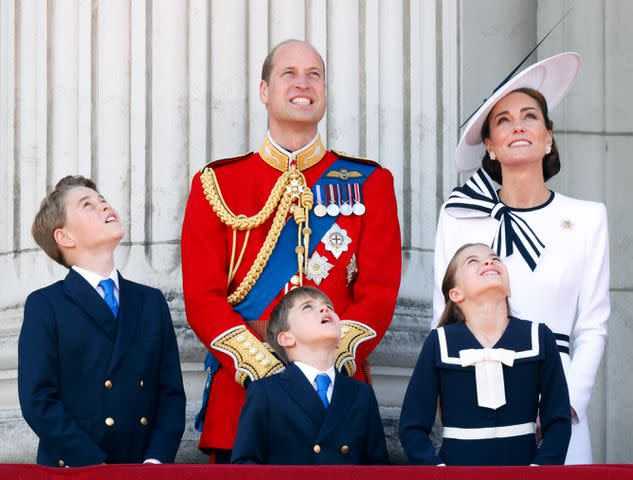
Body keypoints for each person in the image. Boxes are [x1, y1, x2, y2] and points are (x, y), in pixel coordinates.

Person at [181, 39, 401, 461]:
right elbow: (202, 298)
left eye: (314, 74)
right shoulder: (216, 184)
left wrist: (320, 364)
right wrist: (264, 370)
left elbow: (378, 292)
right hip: (244, 400)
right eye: (290, 74)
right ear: (264, 91)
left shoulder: (370, 182)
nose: (304, 83)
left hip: (336, 400)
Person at [432, 53, 609, 464]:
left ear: (548, 135)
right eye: (503, 120)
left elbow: (594, 327)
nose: (518, 126)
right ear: (489, 145)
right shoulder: (459, 216)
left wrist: (566, 406)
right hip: (479, 389)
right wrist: (458, 399)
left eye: (530, 116)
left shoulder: (587, 218)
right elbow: (441, 320)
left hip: (558, 395)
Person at [18, 176, 186, 467]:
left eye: (102, 200)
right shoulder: (45, 304)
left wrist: (156, 463)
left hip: (141, 470)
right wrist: (93, 465)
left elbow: (170, 393)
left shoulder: (151, 302)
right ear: (65, 237)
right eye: (88, 205)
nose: (104, 206)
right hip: (76, 469)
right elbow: (38, 401)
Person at [402, 243, 571, 465]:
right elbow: (411, 426)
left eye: (495, 258)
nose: (489, 261)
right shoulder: (439, 343)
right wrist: (437, 470)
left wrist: (540, 470)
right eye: (473, 261)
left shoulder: (539, 338)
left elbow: (559, 420)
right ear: (456, 293)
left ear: (509, 288)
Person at [231, 286, 389, 465]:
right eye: (308, 307)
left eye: (329, 306)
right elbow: (245, 465)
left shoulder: (362, 393)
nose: (325, 309)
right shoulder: (266, 392)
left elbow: (378, 467)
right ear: (286, 338)